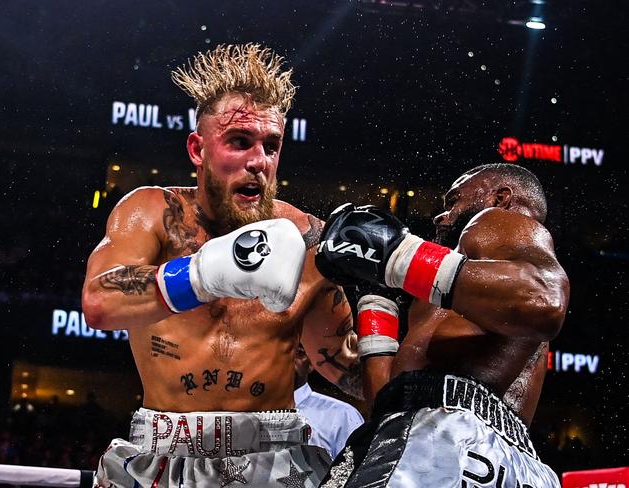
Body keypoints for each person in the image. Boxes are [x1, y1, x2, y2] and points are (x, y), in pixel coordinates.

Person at [82, 43, 360, 488]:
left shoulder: (307, 238)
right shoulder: (152, 212)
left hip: (277, 458)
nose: (258, 162)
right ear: (198, 148)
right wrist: (203, 274)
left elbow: (345, 365)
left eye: (271, 146)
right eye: (239, 142)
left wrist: (403, 274)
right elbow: (100, 301)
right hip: (164, 452)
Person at [315, 163, 570, 487]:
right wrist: (376, 306)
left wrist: (399, 255)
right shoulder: (471, 297)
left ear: (501, 198)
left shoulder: (495, 223)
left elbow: (546, 301)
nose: (440, 216)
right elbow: (387, 404)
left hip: (449, 439)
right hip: (483, 454)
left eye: (453, 201)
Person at [294, 344, 364, 460]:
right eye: (284, 353)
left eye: (299, 353)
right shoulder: (255, 410)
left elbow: (357, 471)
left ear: (311, 364)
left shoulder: (342, 414)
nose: (290, 359)